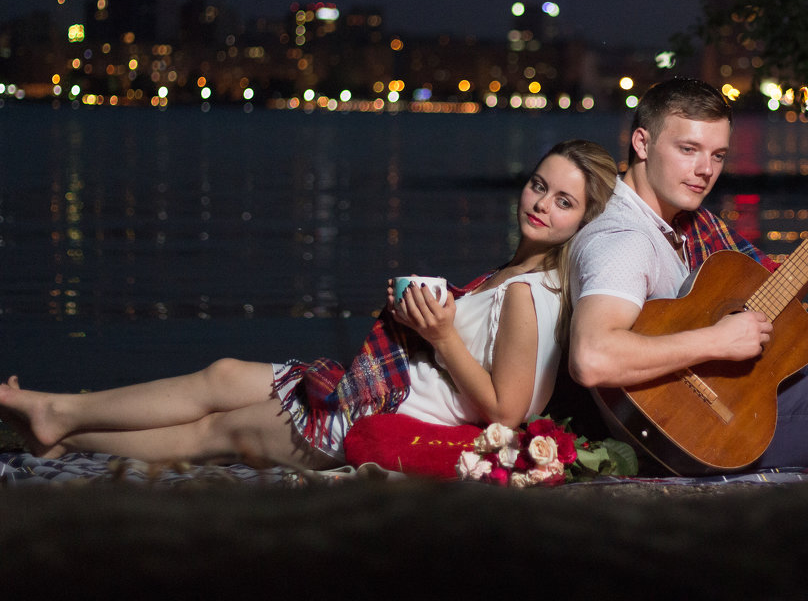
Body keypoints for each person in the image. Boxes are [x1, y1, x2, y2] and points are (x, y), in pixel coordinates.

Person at [0, 140, 618, 470]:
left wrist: (443, 337)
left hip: (387, 418)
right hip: (372, 388)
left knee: (215, 432)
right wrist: (419, 321)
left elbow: (507, 413)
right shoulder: (513, 274)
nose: (541, 203)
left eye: (564, 201)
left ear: (584, 222)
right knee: (221, 375)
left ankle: (66, 435)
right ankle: (63, 410)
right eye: (540, 184)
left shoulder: (527, 295)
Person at [566, 77, 808, 469]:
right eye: (688, 149)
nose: (705, 170)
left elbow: (768, 296)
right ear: (642, 143)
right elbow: (592, 357)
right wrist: (716, 340)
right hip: (707, 427)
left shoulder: (679, 220)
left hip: (725, 390)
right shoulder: (623, 239)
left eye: (718, 155)